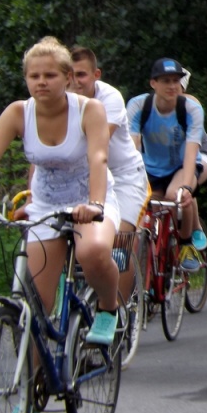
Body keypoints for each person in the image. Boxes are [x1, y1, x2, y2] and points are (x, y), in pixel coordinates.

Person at [0, 37, 120, 349]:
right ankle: (30, 391)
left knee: (91, 252)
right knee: (36, 309)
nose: (41, 82)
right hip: (46, 205)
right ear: (26, 79)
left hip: (90, 199)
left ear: (67, 78)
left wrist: (94, 204)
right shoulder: (17, 113)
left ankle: (108, 307)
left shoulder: (89, 109)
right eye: (34, 76)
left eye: (49, 75)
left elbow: (98, 158)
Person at [70, 46, 149, 304]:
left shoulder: (110, 98)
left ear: (96, 75)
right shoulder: (58, 99)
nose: (75, 81)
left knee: (119, 244)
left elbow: (98, 143)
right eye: (69, 74)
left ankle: (118, 313)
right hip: (87, 175)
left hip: (125, 177)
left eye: (81, 74)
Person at [127, 58, 205, 272]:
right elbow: (132, 151)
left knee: (177, 196)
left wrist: (187, 187)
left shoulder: (191, 108)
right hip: (151, 168)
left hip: (181, 167)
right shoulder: (138, 105)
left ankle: (187, 245)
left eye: (176, 80)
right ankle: (150, 263)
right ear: (153, 83)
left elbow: (191, 153)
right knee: (145, 211)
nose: (172, 86)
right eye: (165, 81)